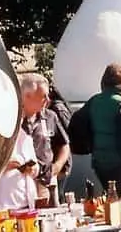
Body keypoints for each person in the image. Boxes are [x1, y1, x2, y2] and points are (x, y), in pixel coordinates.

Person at [86, 63, 121, 197]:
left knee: (108, 197)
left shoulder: (94, 101)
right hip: (118, 161)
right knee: (120, 201)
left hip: (98, 160)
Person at [19, 73, 70, 202]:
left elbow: (64, 144)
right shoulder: (13, 120)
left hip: (46, 182)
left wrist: (57, 166)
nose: (48, 100)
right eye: (43, 96)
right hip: (20, 183)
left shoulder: (50, 117)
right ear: (27, 96)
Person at [0, 126, 39, 211]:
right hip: (0, 205)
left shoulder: (25, 138)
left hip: (23, 203)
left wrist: (33, 169)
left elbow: (35, 166)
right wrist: (3, 166)